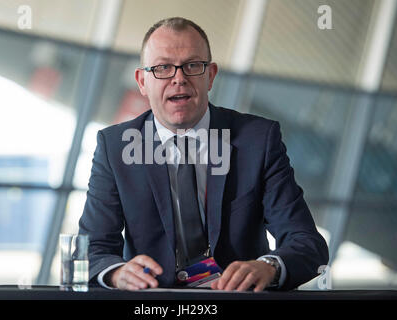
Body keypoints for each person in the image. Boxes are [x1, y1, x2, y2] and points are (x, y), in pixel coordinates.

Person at [78, 17, 328, 292]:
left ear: (210, 75)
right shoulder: (115, 147)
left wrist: (268, 266)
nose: (179, 78)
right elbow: (92, 249)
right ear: (142, 81)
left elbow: (307, 243)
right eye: (163, 67)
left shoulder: (258, 140)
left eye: (192, 66)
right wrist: (117, 273)